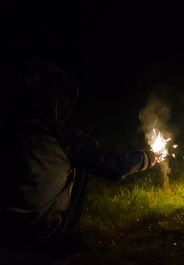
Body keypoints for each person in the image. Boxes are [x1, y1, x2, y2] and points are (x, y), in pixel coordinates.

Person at [0, 59, 157, 255]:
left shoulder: (9, 130)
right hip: (39, 234)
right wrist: (147, 159)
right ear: (53, 102)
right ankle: (66, 244)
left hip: (7, 229)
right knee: (82, 167)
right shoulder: (60, 138)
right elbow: (112, 166)